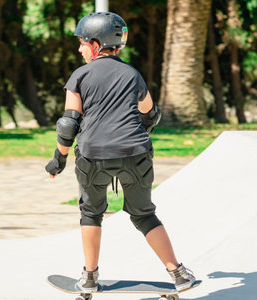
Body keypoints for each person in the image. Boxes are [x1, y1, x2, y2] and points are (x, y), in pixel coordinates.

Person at [45, 12, 196, 293]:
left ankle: (89, 277)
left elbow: (68, 125)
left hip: (93, 156)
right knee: (144, 215)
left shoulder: (79, 76)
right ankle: (179, 274)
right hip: (135, 153)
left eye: (81, 43)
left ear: (95, 43)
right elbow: (150, 114)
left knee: (91, 213)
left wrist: (59, 158)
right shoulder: (132, 74)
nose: (79, 49)